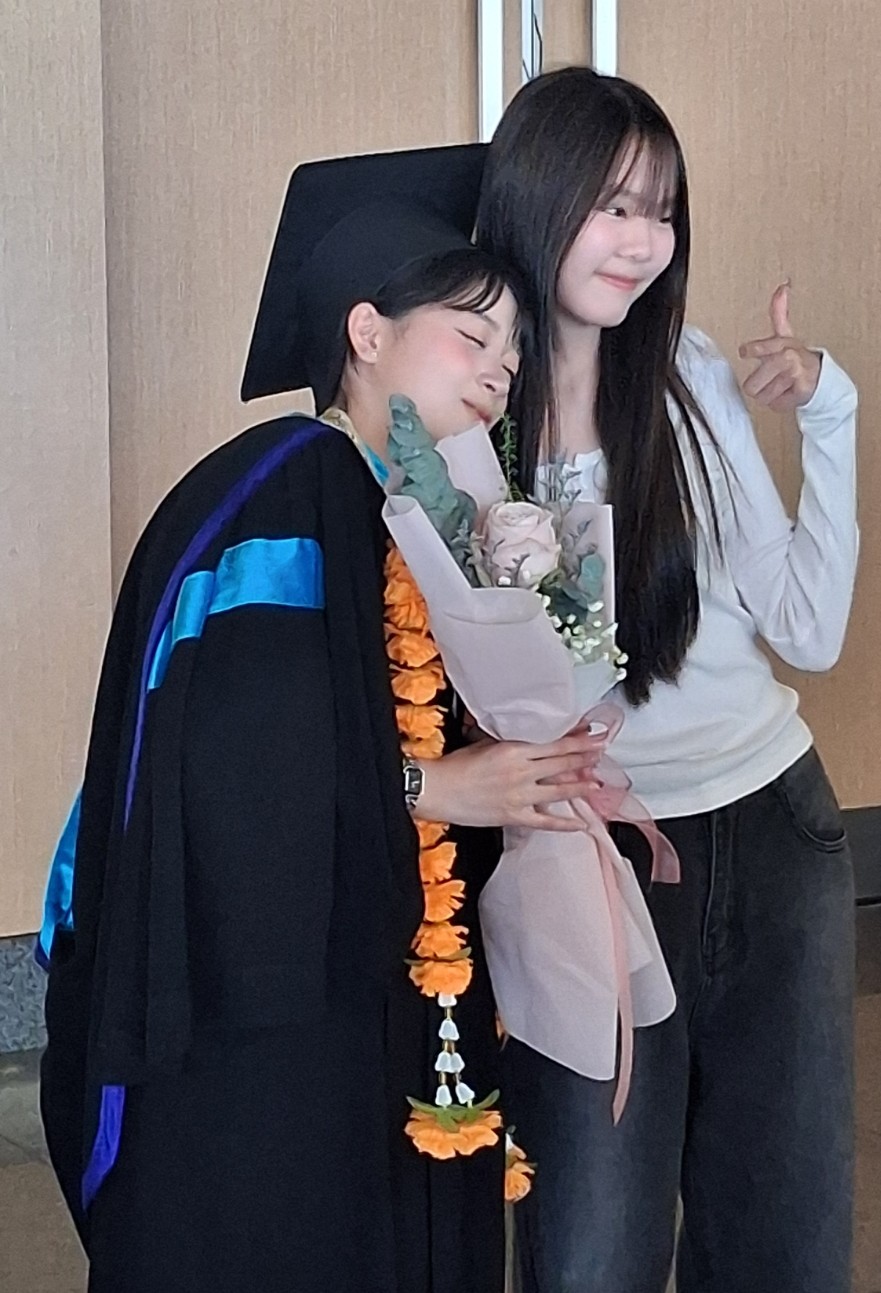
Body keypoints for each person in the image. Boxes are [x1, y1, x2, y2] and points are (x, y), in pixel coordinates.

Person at [38, 144, 603, 1293]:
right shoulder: (281, 487)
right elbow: (231, 771)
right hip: (271, 1023)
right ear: (365, 332)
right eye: (472, 332)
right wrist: (433, 789)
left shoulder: (431, 522)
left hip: (401, 994)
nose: (502, 367)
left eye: (513, 348)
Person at [475, 66, 859, 1293]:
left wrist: (830, 415)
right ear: (536, 198)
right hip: (587, 859)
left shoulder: (684, 375)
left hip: (773, 828)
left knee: (781, 1242)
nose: (642, 242)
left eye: (660, 211)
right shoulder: (469, 413)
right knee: (592, 1248)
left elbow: (806, 630)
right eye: (612, 206)